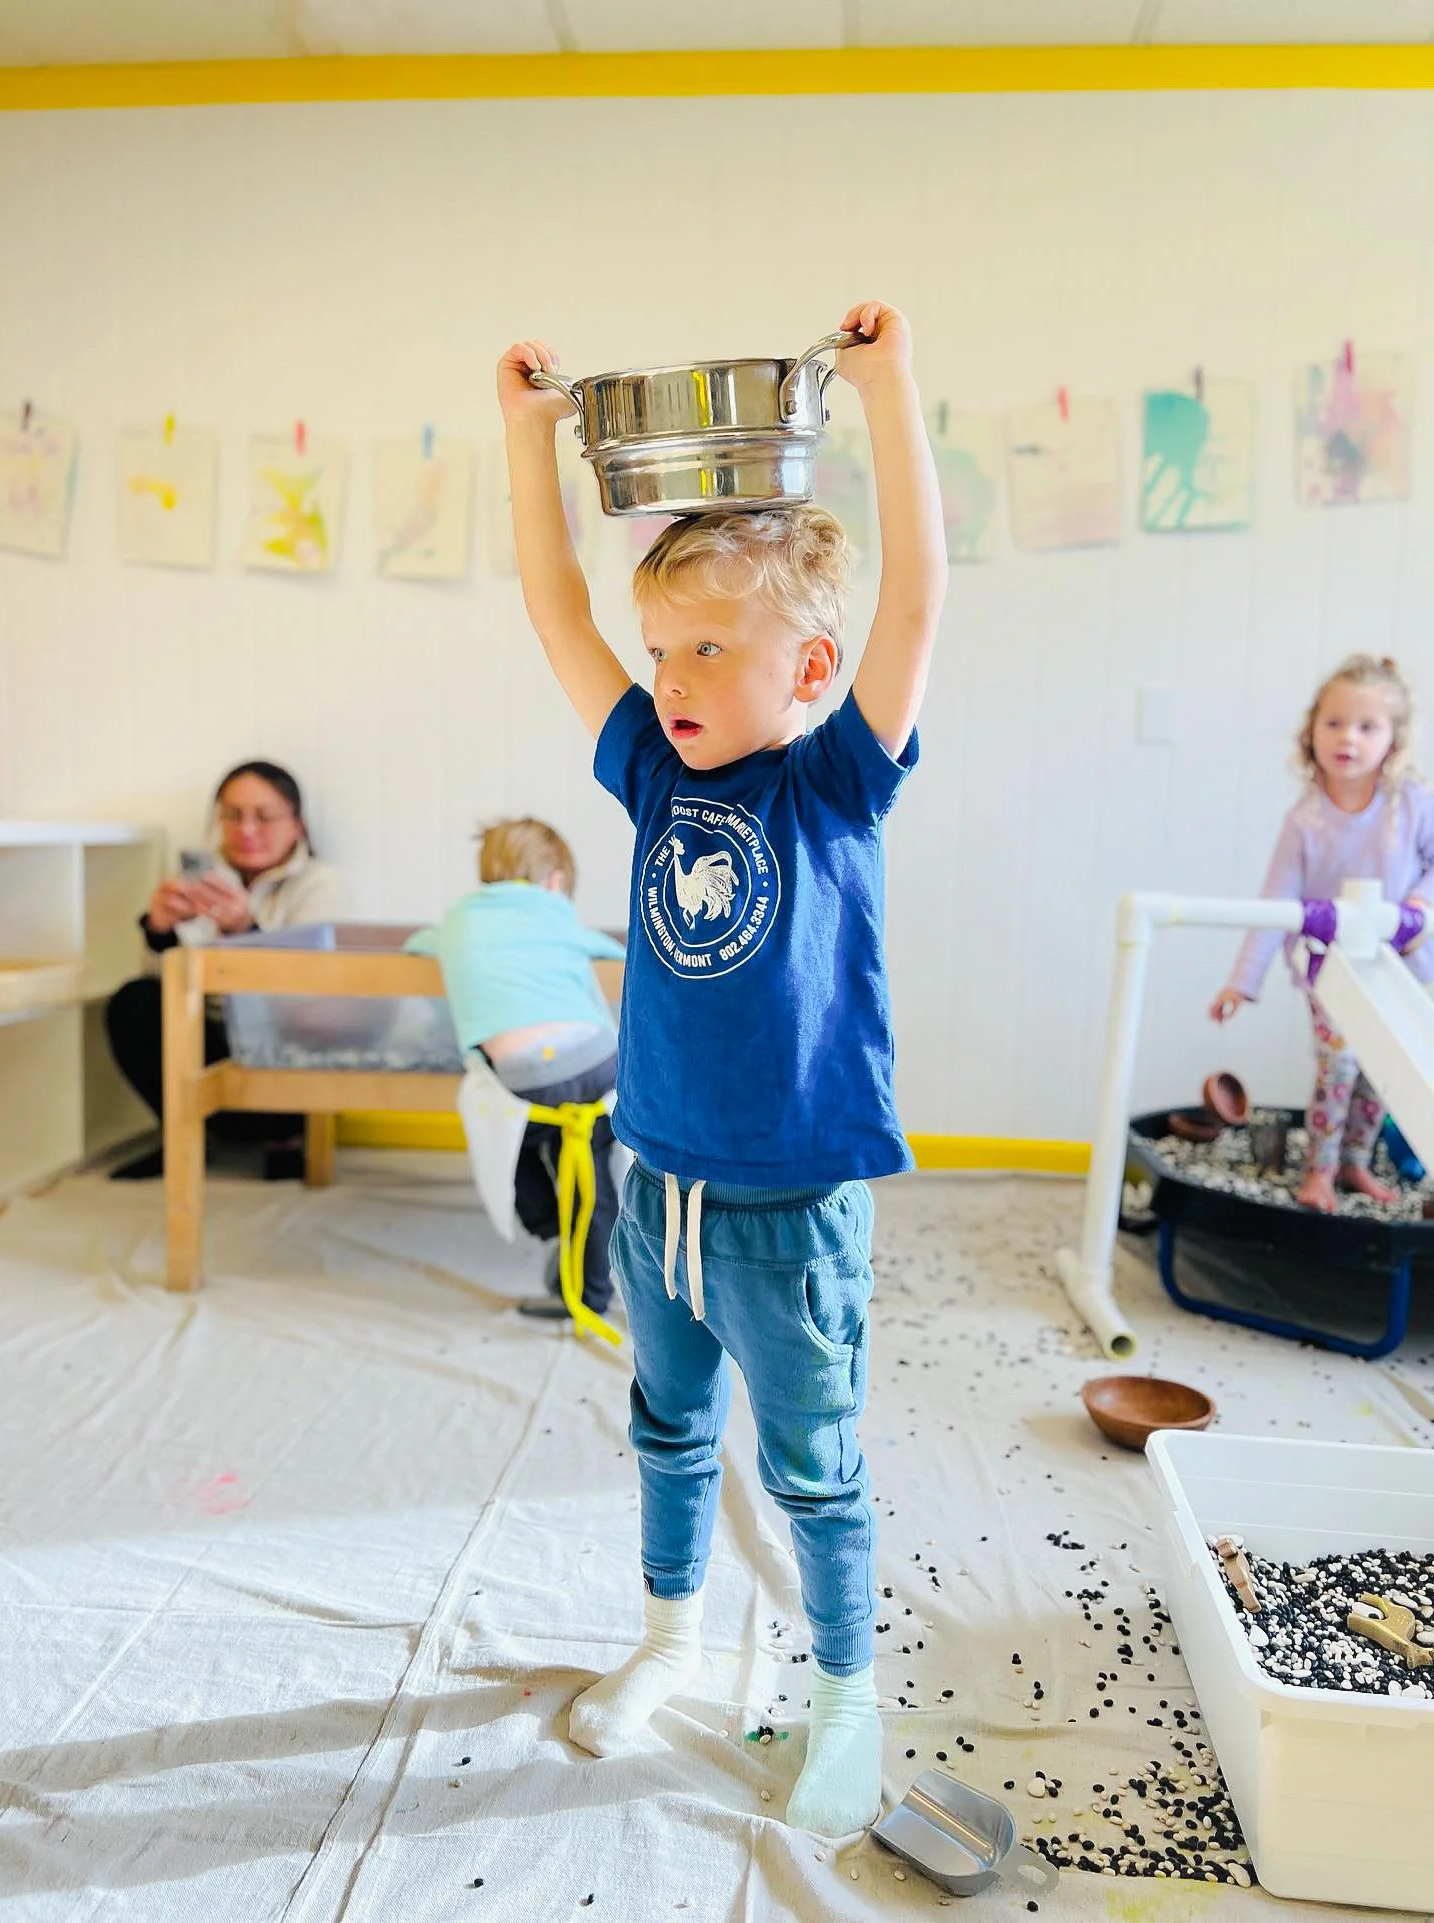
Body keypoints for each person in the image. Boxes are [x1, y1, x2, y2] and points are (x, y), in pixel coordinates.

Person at [497, 298, 946, 1836]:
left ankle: (843, 1698)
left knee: (815, 1468)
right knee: (667, 1427)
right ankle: (671, 1634)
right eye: (662, 645)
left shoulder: (836, 779)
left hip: (791, 1201)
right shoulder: (643, 769)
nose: (670, 673)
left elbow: (917, 604)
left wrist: (891, 391)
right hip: (658, 1174)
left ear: (806, 661)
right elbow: (559, 612)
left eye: (708, 645)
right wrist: (524, 441)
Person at [1211, 655, 1434, 1212]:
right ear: (1311, 730)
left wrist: (1418, 904)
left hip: (1398, 966)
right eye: (1334, 723)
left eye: (1367, 727)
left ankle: (1356, 1164)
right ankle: (1320, 1171)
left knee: (1378, 1070)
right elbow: (1276, 904)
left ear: (1394, 739)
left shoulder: (1410, 806)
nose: (1348, 738)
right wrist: (1243, 982)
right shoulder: (1305, 820)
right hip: (1329, 969)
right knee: (1338, 1065)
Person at [406, 818, 624, 1321]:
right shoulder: (556, 915)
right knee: (594, 1170)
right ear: (554, 881)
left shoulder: (457, 920)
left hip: (525, 1078)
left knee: (514, 1140)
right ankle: (588, 1292)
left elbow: (418, 945)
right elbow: (614, 954)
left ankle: (547, 1223)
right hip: (596, 1059)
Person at [105, 759, 346, 1181]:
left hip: (283, 1041)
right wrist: (159, 931)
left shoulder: (319, 884)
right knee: (134, 1001)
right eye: (233, 816)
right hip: (213, 1033)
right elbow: (169, 987)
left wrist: (245, 931)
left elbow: (310, 988)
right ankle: (184, 1132)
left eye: (264, 817)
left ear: (297, 825)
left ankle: (285, 1138)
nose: (246, 830)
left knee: (311, 1024)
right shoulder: (202, 877)